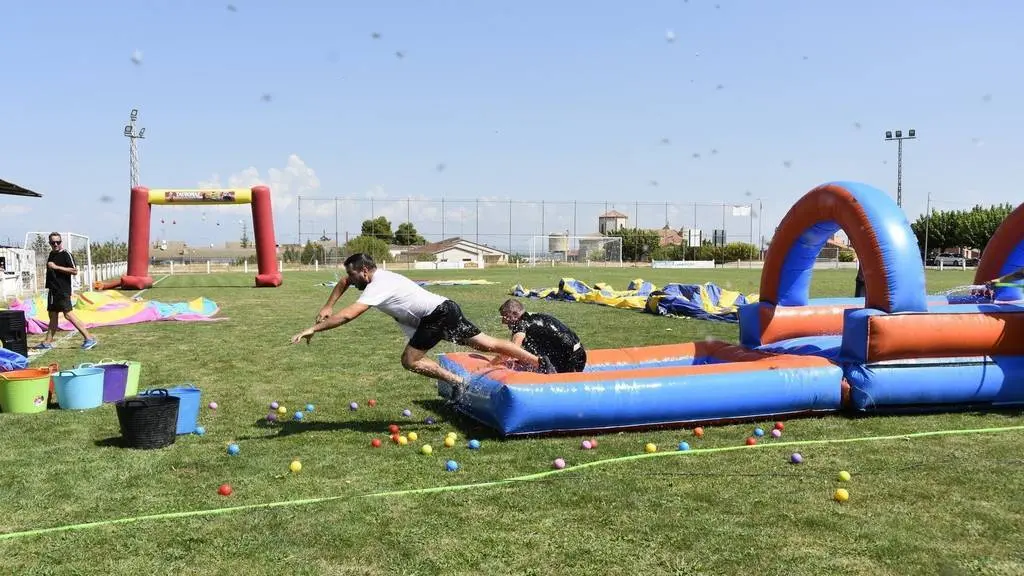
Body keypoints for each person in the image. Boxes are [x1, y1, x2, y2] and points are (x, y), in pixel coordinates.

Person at [290, 253, 552, 403]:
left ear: (366, 271)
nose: (351, 280)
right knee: (487, 343)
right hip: (444, 308)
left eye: (355, 275)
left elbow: (349, 316)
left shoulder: (378, 285)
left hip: (436, 315)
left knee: (410, 360)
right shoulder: (368, 278)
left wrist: (315, 328)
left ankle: (460, 384)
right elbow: (344, 282)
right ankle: (539, 361)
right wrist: (328, 305)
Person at [35, 232, 97, 350]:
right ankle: (47, 342)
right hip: (53, 291)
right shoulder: (51, 254)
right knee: (53, 316)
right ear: (50, 243)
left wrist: (56, 267)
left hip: (62, 290)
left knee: (68, 315)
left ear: (61, 242)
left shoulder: (66, 254)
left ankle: (89, 338)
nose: (56, 244)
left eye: (58, 242)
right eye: (53, 243)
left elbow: (74, 271)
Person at [498, 298, 587, 373]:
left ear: (515, 314)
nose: (503, 321)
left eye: (505, 316)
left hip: (570, 359)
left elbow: (512, 349)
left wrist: (492, 365)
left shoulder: (521, 323)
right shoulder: (532, 317)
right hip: (578, 354)